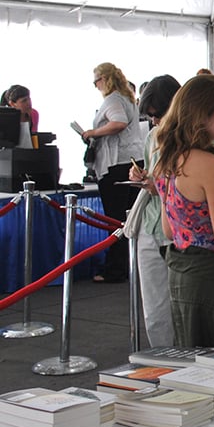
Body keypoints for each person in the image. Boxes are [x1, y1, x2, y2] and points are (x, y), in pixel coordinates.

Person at [151, 75, 214, 348]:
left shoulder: (166, 159)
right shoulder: (211, 164)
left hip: (182, 276)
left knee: (193, 363)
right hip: (213, 281)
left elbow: (170, 230)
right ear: (201, 116)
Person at [128, 74, 180, 347]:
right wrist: (142, 177)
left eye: (157, 114)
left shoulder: (190, 136)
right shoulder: (151, 136)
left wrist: (156, 185)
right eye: (150, 117)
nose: (154, 121)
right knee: (155, 309)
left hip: (180, 230)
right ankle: (162, 362)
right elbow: (153, 173)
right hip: (151, 225)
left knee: (183, 308)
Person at [83, 62, 145, 284]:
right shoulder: (128, 98)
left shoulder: (113, 100)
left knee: (115, 219)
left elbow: (118, 123)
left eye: (96, 81)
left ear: (104, 79)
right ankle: (131, 264)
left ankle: (115, 269)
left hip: (116, 164)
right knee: (130, 216)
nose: (95, 86)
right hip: (133, 159)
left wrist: (93, 132)